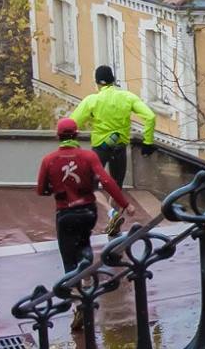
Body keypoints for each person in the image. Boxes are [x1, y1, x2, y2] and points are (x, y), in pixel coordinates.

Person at [37, 117, 135, 273]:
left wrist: (53, 189)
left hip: (65, 213)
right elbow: (107, 181)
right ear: (77, 134)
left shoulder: (49, 160)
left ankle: (72, 284)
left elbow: (41, 190)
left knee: (68, 252)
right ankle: (86, 269)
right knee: (84, 242)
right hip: (87, 211)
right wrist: (125, 204)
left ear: (57, 136)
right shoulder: (89, 157)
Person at [71, 65, 157, 190]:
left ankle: (94, 208)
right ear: (113, 80)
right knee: (116, 186)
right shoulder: (128, 97)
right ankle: (115, 208)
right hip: (119, 145)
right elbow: (150, 117)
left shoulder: (91, 100)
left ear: (97, 83)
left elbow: (71, 124)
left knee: (91, 183)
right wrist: (147, 142)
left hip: (100, 147)